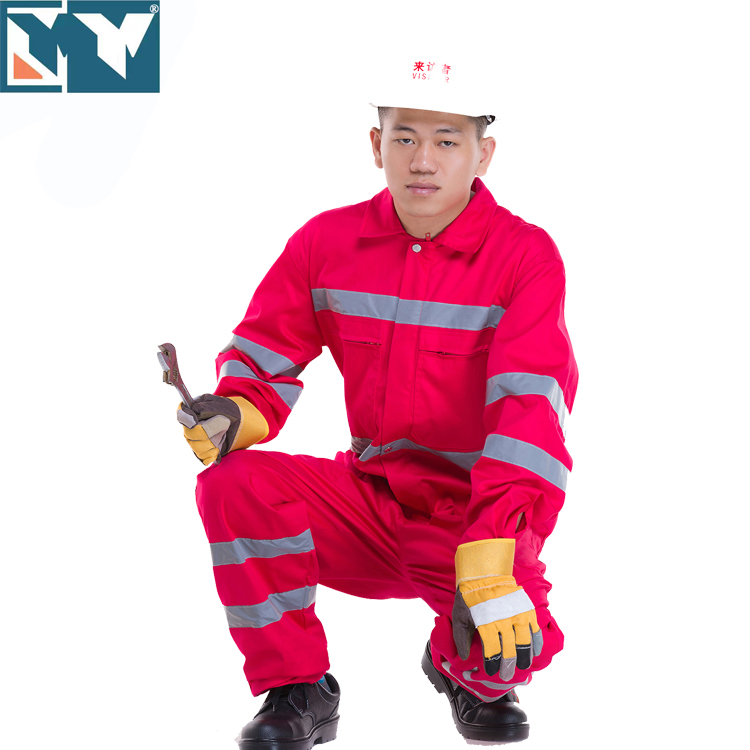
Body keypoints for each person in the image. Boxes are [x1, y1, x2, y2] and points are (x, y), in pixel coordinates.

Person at [176, 53, 578, 749]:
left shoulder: (525, 257)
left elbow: (530, 415)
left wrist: (492, 549)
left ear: (483, 154)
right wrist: (236, 411)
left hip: (471, 522)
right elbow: (267, 351)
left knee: (517, 645)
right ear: (376, 145)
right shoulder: (326, 243)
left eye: (446, 141)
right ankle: (297, 689)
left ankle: (456, 668)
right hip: (366, 501)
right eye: (405, 137)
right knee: (233, 483)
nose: (423, 160)